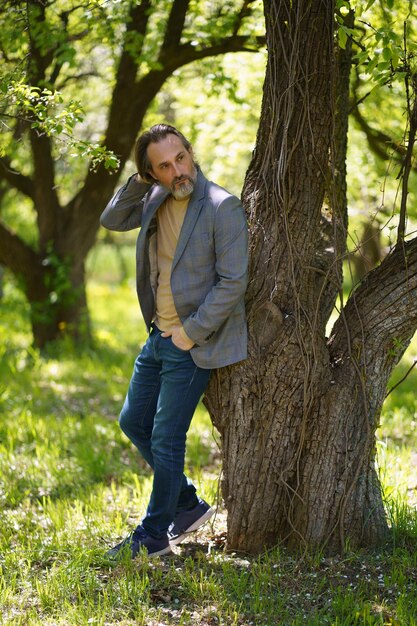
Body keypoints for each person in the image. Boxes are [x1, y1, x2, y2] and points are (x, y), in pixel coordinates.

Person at [100, 123, 248, 558]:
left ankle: (153, 534)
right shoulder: (154, 196)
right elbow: (112, 219)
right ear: (151, 173)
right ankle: (185, 503)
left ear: (190, 151)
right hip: (157, 335)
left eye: (180, 157)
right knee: (132, 421)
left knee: (166, 438)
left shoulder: (222, 206)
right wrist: (140, 181)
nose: (178, 170)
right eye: (163, 166)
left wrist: (190, 332)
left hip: (192, 342)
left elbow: (233, 281)